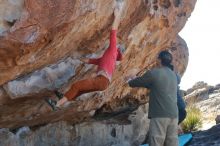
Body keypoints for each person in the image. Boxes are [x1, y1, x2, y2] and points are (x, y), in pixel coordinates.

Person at [46, 0, 124, 109]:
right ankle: (65, 97)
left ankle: (56, 105)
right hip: (103, 83)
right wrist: (77, 57)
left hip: (102, 81)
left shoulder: (113, 50)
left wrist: (117, 16)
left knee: (77, 86)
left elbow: (113, 32)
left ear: (117, 50)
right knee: (80, 89)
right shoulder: (107, 58)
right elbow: (90, 61)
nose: (116, 45)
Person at [127, 50, 178, 146]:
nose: (156, 59)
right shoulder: (174, 75)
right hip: (174, 115)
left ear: (159, 60)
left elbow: (135, 82)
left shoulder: (154, 73)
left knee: (156, 142)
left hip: (160, 115)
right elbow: (157, 86)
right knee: (172, 143)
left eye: (157, 57)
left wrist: (130, 79)